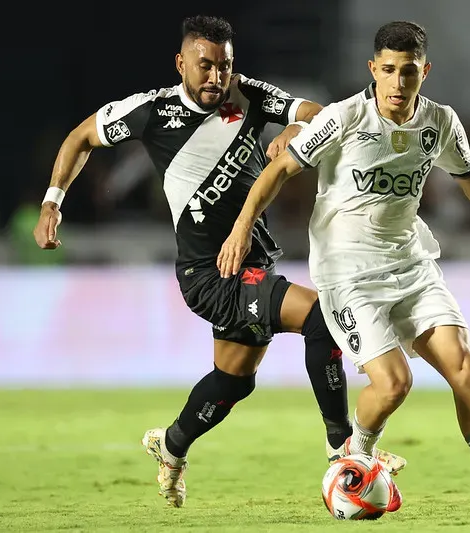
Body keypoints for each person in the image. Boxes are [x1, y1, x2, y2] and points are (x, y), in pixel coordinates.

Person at [32, 15, 405, 508]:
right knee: (322, 318)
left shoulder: (247, 94)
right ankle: (344, 449)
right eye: (204, 66)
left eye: (224, 67)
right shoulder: (150, 111)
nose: (215, 78)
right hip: (209, 274)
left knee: (234, 379)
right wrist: (53, 201)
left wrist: (294, 124)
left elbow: (319, 112)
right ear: (181, 63)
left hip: (251, 263)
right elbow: (80, 137)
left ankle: (170, 445)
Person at [218, 20, 470, 516]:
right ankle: (356, 457)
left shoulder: (439, 122)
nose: (399, 83)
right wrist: (241, 226)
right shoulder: (342, 119)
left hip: (411, 263)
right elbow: (278, 170)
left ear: (426, 71)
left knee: (466, 368)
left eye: (411, 72)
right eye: (391, 71)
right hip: (348, 274)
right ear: (373, 69)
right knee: (394, 384)